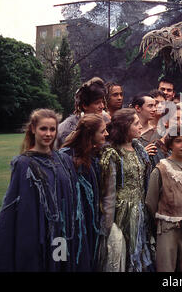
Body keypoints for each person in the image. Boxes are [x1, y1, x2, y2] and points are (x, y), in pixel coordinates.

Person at [0, 109, 86, 271]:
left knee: (60, 265)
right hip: (36, 234)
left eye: (52, 129)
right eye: (43, 129)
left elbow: (73, 199)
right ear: (33, 129)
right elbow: (12, 206)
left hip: (61, 235)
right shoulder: (24, 163)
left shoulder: (63, 160)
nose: (48, 134)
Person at [98, 108, 155, 272]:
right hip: (123, 213)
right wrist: (108, 227)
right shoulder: (112, 153)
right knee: (124, 255)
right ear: (124, 127)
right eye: (136, 124)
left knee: (142, 254)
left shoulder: (138, 148)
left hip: (141, 210)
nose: (140, 127)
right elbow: (108, 192)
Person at [146, 127, 182, 272]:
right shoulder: (161, 169)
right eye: (178, 141)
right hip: (167, 226)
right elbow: (150, 202)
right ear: (170, 145)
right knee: (166, 266)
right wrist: (161, 219)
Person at [60, 113, 108, 271]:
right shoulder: (66, 157)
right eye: (102, 131)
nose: (106, 134)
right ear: (90, 135)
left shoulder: (94, 157)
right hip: (72, 224)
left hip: (90, 221)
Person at [56, 77, 108, 149]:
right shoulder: (68, 128)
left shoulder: (107, 122)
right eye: (97, 103)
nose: (102, 106)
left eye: (102, 102)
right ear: (85, 106)